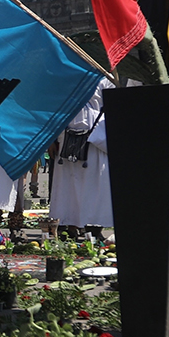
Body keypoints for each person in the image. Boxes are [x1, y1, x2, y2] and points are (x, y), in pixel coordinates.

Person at [50, 79, 114, 242]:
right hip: (66, 137)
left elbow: (115, 105)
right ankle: (69, 226)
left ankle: (94, 227)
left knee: (95, 186)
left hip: (94, 138)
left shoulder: (105, 79)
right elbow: (52, 105)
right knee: (68, 186)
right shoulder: (67, 74)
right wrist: (50, 138)